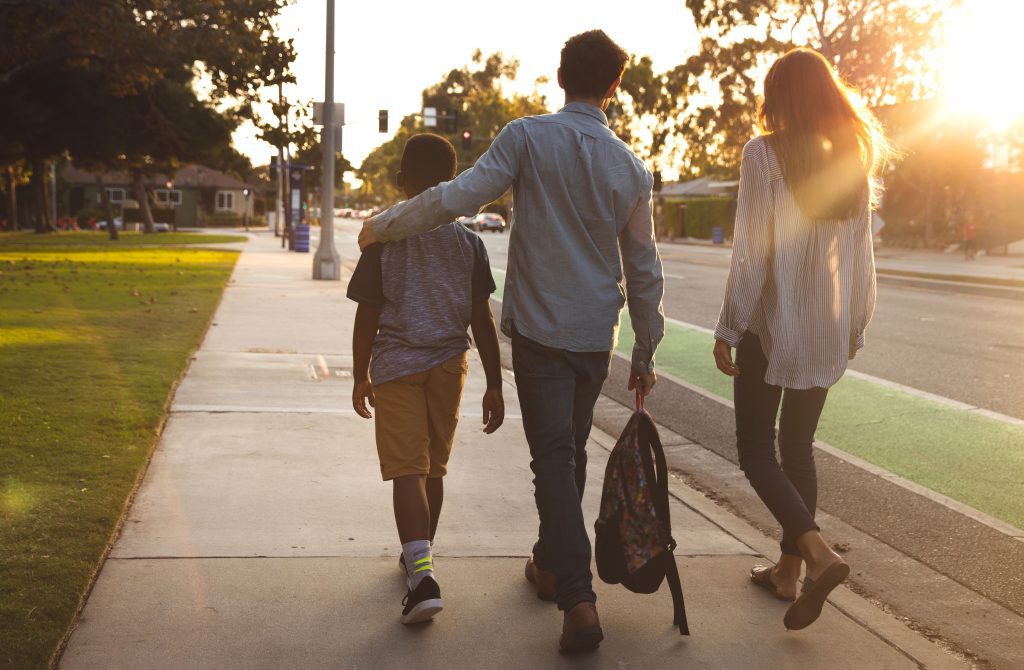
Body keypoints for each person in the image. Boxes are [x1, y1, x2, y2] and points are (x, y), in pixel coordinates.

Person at [359, 30, 664, 653]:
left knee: (554, 460)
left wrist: (382, 227)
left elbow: (455, 198)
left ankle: (577, 599)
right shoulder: (631, 167)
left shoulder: (527, 136)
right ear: (614, 87)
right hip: (594, 335)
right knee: (568, 455)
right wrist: (646, 347)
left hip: (540, 329)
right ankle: (551, 565)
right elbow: (644, 265)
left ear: (559, 77)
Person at [711, 47, 892, 631]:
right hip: (827, 330)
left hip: (774, 325)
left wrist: (729, 326)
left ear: (779, 98)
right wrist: (857, 325)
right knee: (799, 449)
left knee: (757, 452)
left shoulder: (763, 153)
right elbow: (863, 254)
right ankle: (787, 574)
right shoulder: (853, 158)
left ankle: (817, 556)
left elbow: (751, 251)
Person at [347, 133, 505, 626]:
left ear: (401, 182)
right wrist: (495, 383)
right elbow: (483, 321)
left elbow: (367, 315)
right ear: (455, 185)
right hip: (448, 368)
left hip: (396, 366)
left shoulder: (383, 239)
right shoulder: (469, 244)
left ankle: (422, 577)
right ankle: (421, 556)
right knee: (432, 469)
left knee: (406, 471)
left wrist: (358, 375)